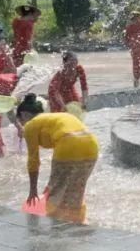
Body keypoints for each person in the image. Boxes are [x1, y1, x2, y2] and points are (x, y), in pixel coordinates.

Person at [16, 93, 99, 223]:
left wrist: (33, 190)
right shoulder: (58, 116)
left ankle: (56, 223)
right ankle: (78, 220)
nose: (22, 125)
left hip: (68, 144)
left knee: (55, 191)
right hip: (92, 146)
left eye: (21, 121)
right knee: (76, 189)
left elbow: (33, 160)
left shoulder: (30, 125)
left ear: (24, 115)